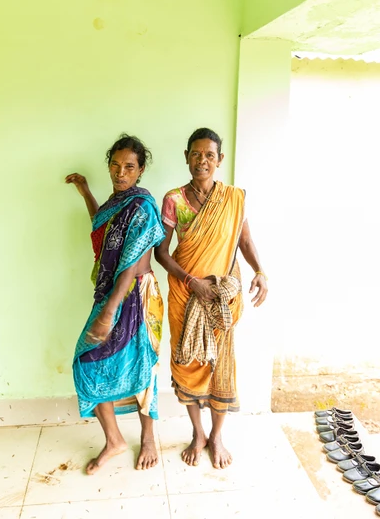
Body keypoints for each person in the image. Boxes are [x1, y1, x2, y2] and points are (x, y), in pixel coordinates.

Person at [154, 127, 268, 470]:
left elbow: (244, 242)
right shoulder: (173, 199)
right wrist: (191, 281)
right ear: (187, 157)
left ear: (219, 160)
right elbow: (161, 252)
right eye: (195, 154)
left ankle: (217, 436)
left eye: (209, 155)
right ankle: (198, 432)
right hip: (185, 295)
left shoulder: (234, 198)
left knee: (221, 365)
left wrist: (261, 271)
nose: (201, 161)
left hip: (220, 299)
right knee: (188, 362)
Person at [65, 134, 165, 474]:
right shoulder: (116, 201)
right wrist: (86, 192)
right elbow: (102, 226)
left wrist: (110, 311)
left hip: (136, 294)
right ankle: (115, 440)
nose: (120, 172)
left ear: (141, 170)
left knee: (143, 366)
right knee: (87, 364)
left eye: (129, 167)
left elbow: (134, 263)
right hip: (112, 294)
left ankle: (148, 438)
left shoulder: (143, 207)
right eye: (115, 165)